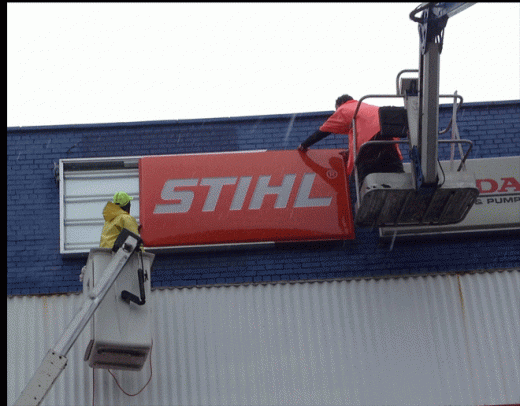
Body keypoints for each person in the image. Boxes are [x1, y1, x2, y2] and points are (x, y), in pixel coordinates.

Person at [298, 94, 404, 186]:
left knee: (365, 178)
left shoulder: (344, 109)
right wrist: (350, 152)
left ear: (340, 104)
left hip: (369, 146)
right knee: (396, 177)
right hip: (390, 143)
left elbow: (324, 131)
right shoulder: (366, 107)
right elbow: (366, 128)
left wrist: (304, 144)